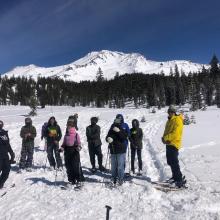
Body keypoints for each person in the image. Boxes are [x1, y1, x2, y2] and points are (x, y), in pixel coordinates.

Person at [162, 105, 186, 188]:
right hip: (169, 143)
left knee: (174, 162)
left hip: (174, 143)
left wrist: (166, 138)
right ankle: (175, 177)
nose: (170, 113)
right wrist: (164, 138)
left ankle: (179, 180)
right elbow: (167, 131)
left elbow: (176, 133)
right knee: (170, 161)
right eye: (169, 111)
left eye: (171, 112)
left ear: (174, 112)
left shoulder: (177, 120)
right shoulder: (169, 121)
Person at [106, 117, 128, 185]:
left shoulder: (122, 128)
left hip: (121, 150)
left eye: (118, 121)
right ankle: (113, 177)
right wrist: (108, 139)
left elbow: (124, 138)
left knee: (120, 166)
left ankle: (120, 179)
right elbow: (107, 137)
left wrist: (119, 131)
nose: (117, 122)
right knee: (113, 166)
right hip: (113, 150)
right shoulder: (111, 128)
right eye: (116, 120)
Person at [60, 119, 82, 185]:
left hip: (74, 152)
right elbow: (64, 143)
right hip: (67, 152)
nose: (68, 127)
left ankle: (78, 180)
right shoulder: (66, 135)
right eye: (67, 126)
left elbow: (79, 143)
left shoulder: (76, 135)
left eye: (69, 126)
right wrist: (62, 148)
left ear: (72, 127)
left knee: (75, 166)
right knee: (68, 167)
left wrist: (78, 147)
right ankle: (71, 180)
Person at [0, 120, 15, 189]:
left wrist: (11, 153)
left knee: (7, 169)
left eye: (1, 124)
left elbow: (7, 144)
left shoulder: (4, 133)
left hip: (5, 155)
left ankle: (0, 183)